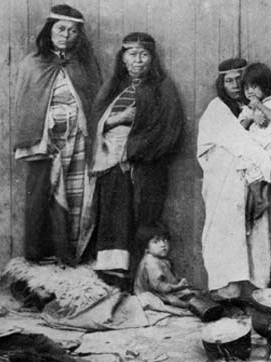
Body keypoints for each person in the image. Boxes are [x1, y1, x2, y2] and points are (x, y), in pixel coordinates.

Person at [88, 32, 184, 283]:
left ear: (152, 59)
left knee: (142, 216)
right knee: (113, 216)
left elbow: (169, 129)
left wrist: (135, 151)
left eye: (144, 55)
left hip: (144, 166)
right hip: (111, 165)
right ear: (123, 58)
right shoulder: (113, 88)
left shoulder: (162, 89)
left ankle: (137, 279)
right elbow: (97, 121)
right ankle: (111, 274)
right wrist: (119, 119)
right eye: (132, 54)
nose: (138, 60)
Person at [13, 4, 101, 265]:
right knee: (41, 196)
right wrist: (44, 133)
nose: (66, 35)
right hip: (45, 143)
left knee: (77, 196)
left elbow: (94, 103)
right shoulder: (32, 64)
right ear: (49, 30)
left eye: (73, 31)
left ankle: (70, 255)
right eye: (61, 29)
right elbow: (26, 105)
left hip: (77, 142)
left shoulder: (84, 64)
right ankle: (38, 256)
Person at [197, 58, 271, 300]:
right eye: (228, 81)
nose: (235, 86)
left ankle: (254, 289)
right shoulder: (217, 108)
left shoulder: (258, 105)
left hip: (249, 179)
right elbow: (233, 140)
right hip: (224, 182)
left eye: (241, 80)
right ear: (221, 83)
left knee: (256, 234)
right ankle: (225, 290)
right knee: (225, 232)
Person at [238, 62, 271, 253]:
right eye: (246, 88)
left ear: (265, 85)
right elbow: (239, 127)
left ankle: (259, 200)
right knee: (247, 166)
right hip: (260, 156)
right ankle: (257, 199)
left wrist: (260, 106)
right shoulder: (249, 108)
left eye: (254, 86)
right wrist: (252, 116)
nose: (250, 92)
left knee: (255, 168)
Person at [134, 226, 197, 309]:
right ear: (146, 248)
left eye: (164, 240)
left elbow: (168, 278)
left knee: (191, 293)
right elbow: (160, 286)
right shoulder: (151, 262)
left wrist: (179, 282)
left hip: (161, 291)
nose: (163, 245)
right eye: (156, 242)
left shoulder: (161, 260)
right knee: (179, 302)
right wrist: (179, 286)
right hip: (151, 294)